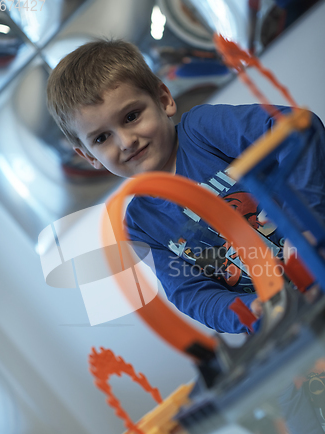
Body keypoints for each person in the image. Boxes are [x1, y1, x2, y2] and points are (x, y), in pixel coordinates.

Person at [46, 39, 325, 335]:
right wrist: (250, 310)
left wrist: (306, 224)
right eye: (102, 138)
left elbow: (299, 130)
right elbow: (191, 293)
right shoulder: (140, 225)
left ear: (164, 99)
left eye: (131, 117)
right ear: (89, 156)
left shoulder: (203, 130)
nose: (127, 142)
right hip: (292, 315)